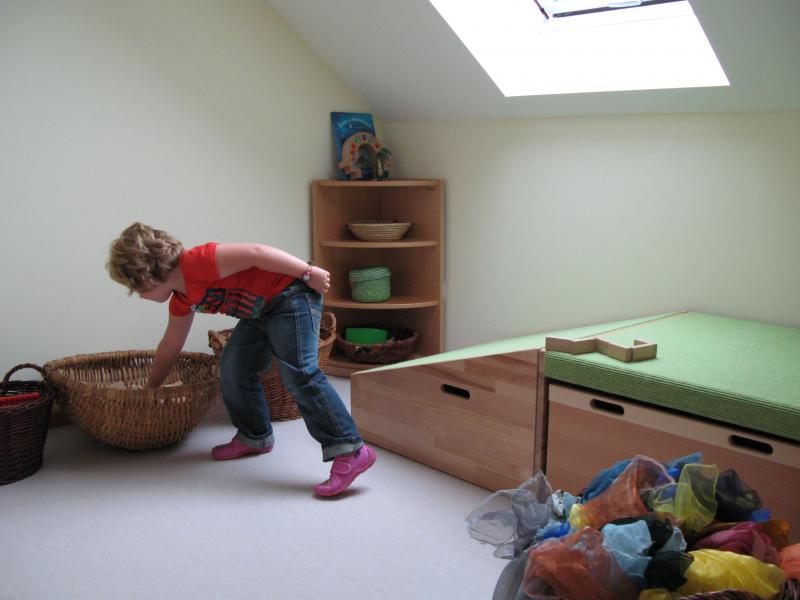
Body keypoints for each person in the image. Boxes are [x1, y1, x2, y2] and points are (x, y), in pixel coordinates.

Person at [107, 222, 376, 497]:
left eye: (136, 289)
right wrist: (151, 388)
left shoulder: (198, 262)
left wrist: (307, 273)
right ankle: (255, 436)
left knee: (300, 372)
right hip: (260, 313)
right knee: (234, 367)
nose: (140, 296)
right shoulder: (182, 300)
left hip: (291, 295)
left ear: (148, 277)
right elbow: (170, 346)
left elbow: (257, 253)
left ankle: (351, 449)